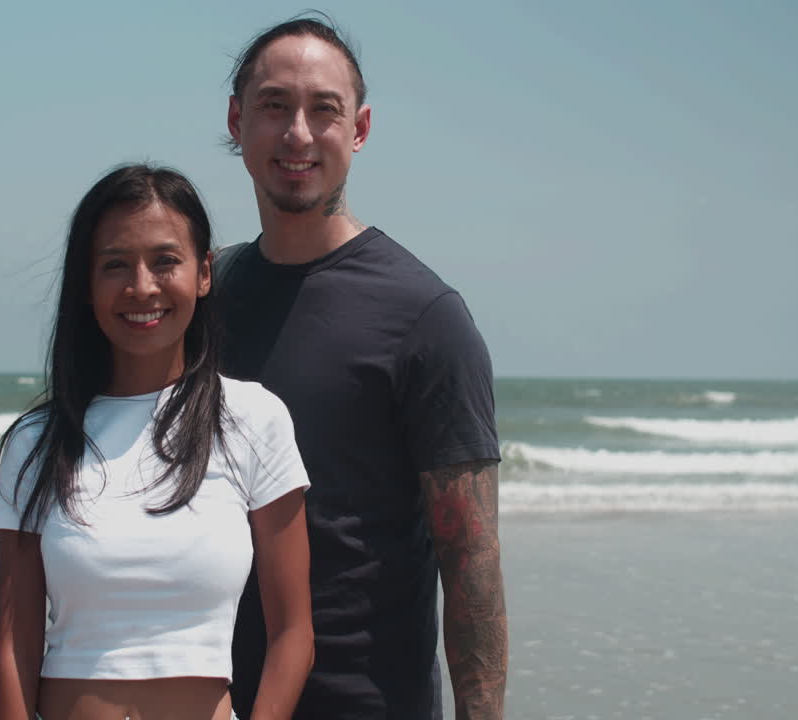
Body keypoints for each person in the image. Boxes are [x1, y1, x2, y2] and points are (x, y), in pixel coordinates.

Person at [215, 16, 507, 720]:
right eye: (275, 105)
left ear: (360, 129)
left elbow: (470, 562)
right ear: (236, 121)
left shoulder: (425, 317)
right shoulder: (204, 297)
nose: (298, 134)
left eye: (324, 109)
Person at [0, 164, 314, 720]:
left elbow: (293, 633)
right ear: (86, 285)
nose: (141, 287)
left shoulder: (254, 419)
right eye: (115, 265)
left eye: (165, 261)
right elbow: (13, 653)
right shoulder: (36, 443)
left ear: (203, 273)